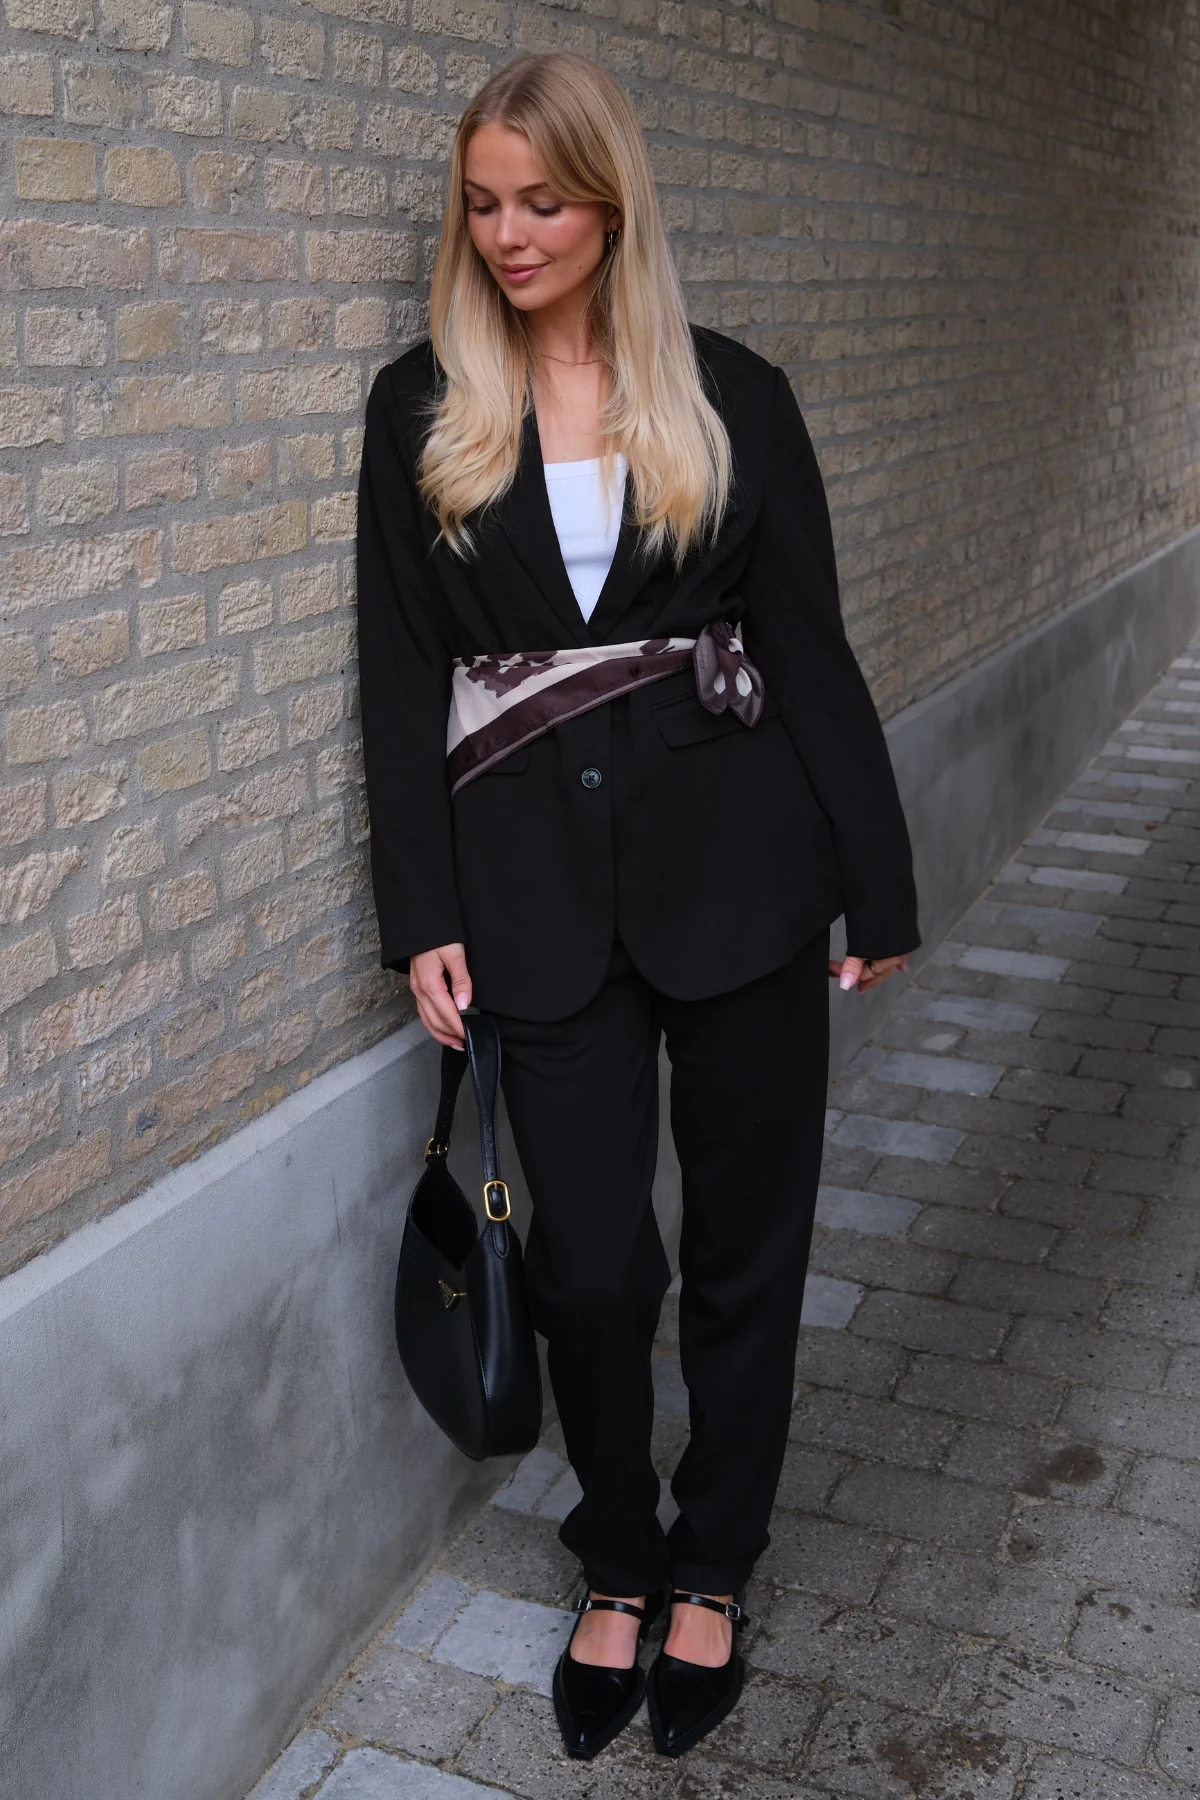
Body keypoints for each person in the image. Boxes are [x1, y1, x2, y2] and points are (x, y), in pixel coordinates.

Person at [356, 48, 919, 1763]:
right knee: (594, 1264)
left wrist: (877, 880)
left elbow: (809, 649)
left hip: (743, 880)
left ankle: (713, 1564)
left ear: (612, 205)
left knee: (750, 1247)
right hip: (531, 899)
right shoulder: (419, 408)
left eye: (542, 201)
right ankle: (616, 1549)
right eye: (482, 205)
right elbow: (399, 676)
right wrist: (421, 910)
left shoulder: (735, 395)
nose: (508, 234)